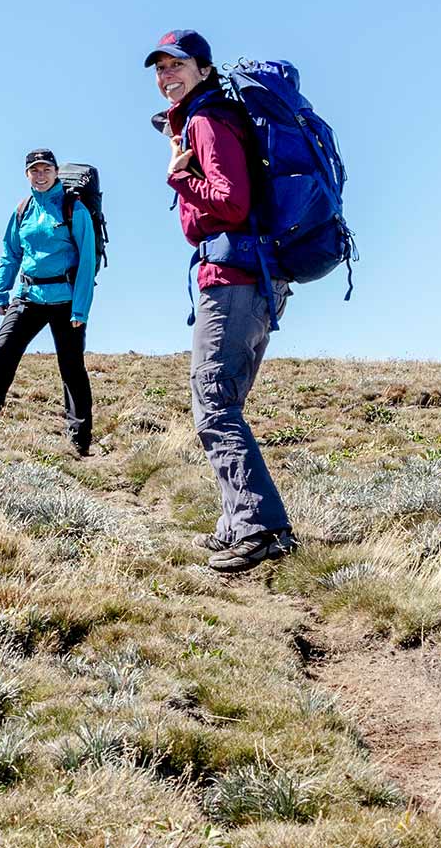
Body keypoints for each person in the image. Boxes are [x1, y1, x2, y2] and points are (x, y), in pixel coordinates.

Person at [147, 29, 297, 573]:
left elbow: (229, 205)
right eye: (159, 70)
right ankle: (236, 523)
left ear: (205, 71)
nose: (166, 77)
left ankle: (262, 529)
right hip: (254, 278)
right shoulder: (207, 119)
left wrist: (179, 180)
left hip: (233, 279)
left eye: (177, 66)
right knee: (220, 402)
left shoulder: (208, 121)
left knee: (214, 404)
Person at [0, 149, 97, 456]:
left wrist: (81, 308)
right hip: (26, 297)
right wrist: (1, 291)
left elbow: (88, 261)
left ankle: (79, 441)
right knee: (2, 355)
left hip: (65, 301)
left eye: (45, 170)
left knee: (71, 368)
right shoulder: (23, 210)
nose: (40, 175)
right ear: (27, 175)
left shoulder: (73, 209)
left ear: (56, 172)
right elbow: (10, 253)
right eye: (34, 171)